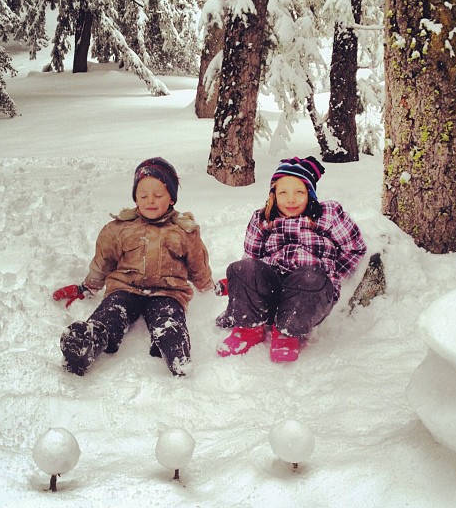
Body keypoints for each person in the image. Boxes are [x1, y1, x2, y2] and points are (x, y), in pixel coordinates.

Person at [53, 157, 214, 377]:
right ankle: (87, 342)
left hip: (168, 292)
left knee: (169, 320)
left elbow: (198, 263)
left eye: (158, 195)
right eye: (143, 195)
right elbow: (104, 260)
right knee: (110, 315)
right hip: (125, 289)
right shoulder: (121, 228)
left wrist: (209, 287)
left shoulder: (184, 231)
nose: (150, 201)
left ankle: (176, 349)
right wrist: (88, 286)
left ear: (172, 199)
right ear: (135, 198)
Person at [216, 156, 366, 362]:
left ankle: (288, 333)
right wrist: (239, 285)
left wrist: (332, 275)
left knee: (309, 278)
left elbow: (354, 248)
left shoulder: (328, 215)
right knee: (241, 268)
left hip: (308, 293)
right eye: (283, 192)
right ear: (273, 195)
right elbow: (252, 258)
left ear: (310, 194)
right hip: (271, 289)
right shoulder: (263, 219)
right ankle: (249, 327)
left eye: (299, 192)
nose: (291, 199)